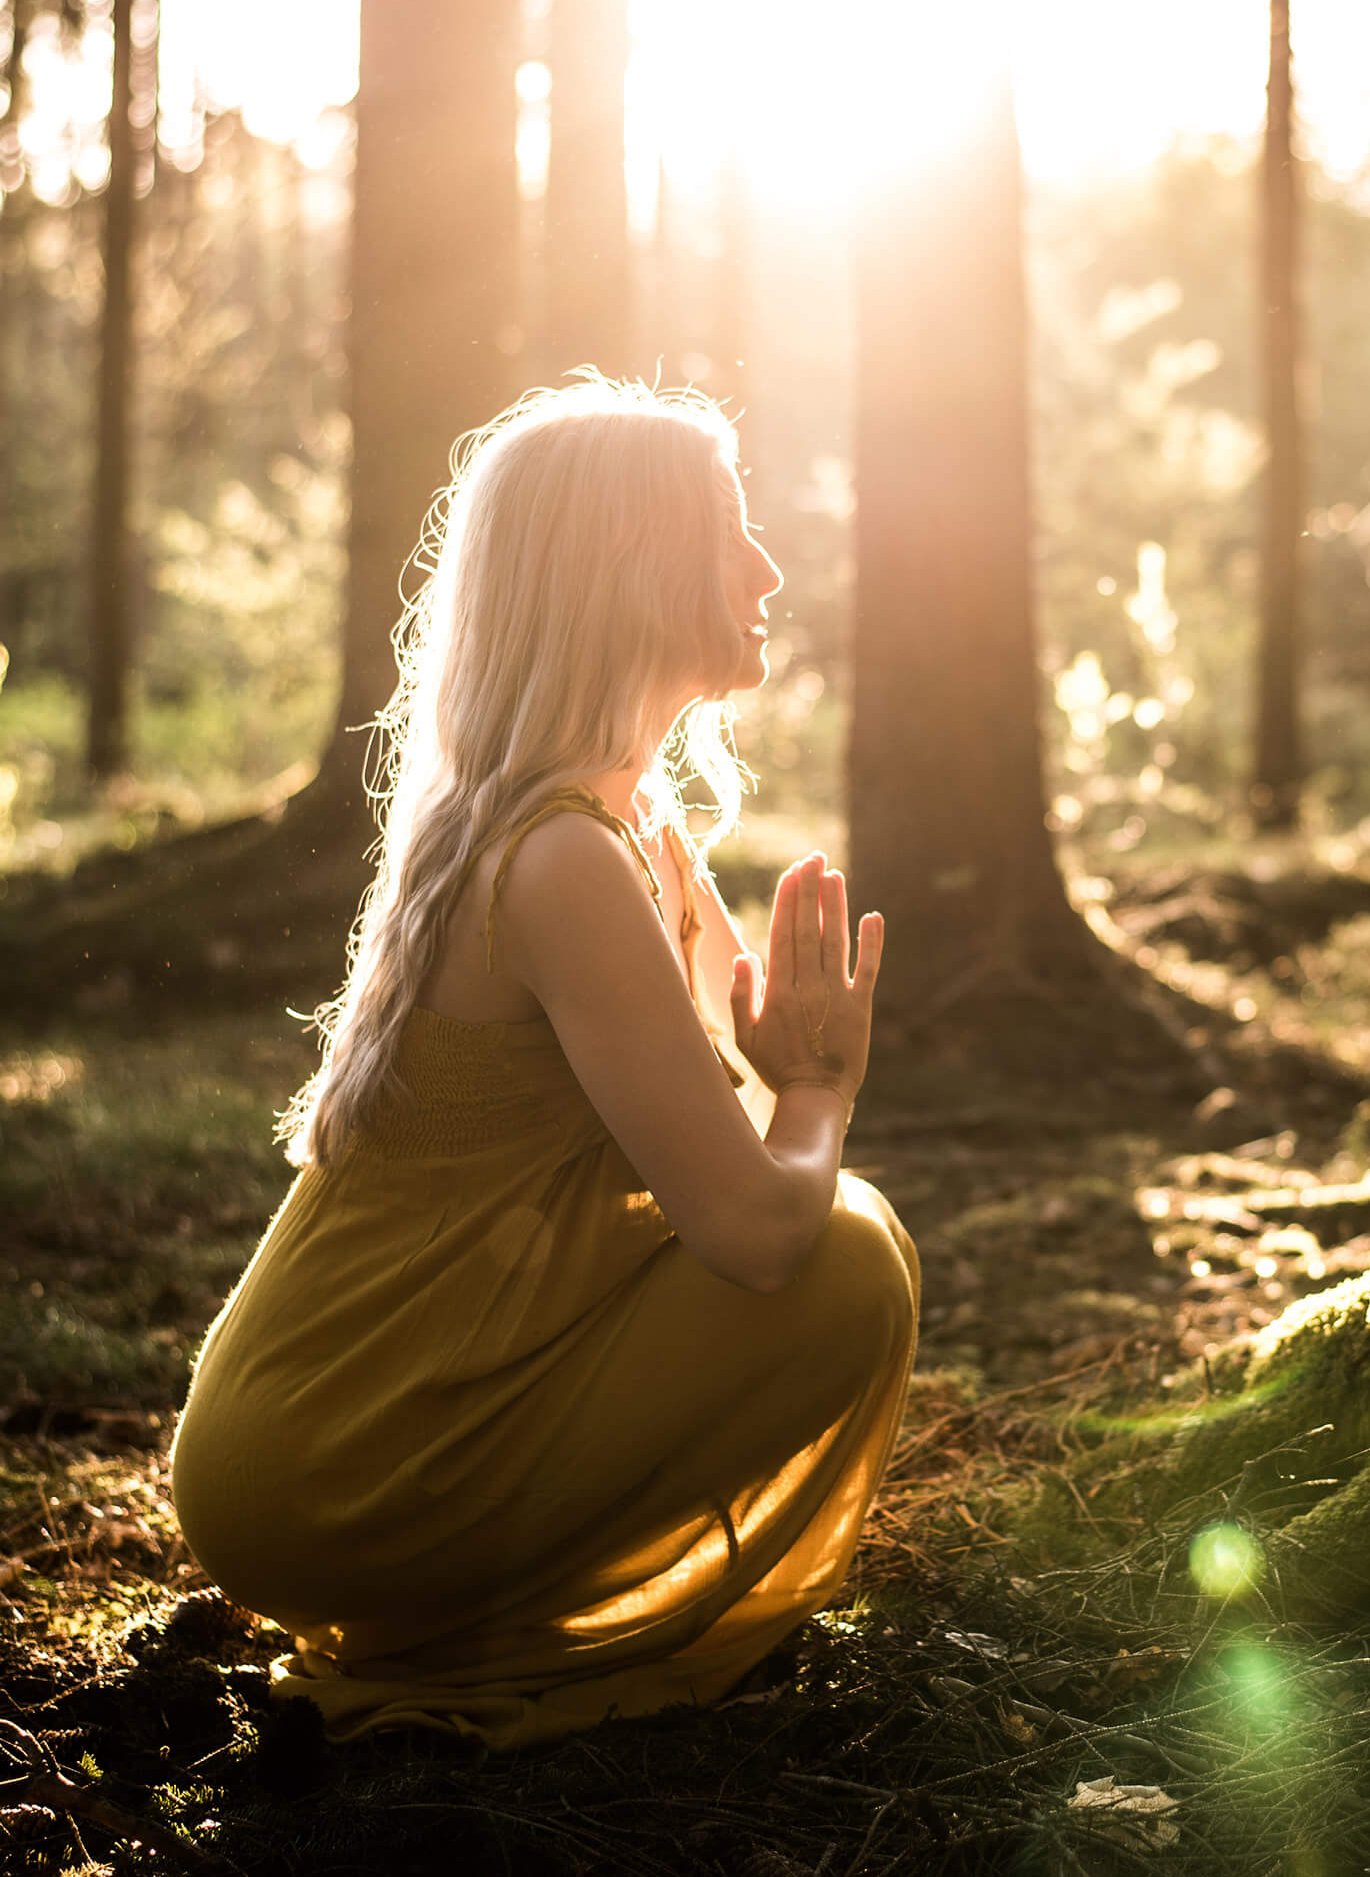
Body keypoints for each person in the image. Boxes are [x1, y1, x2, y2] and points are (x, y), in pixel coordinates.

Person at [170, 378, 917, 1748]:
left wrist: (773, 1083)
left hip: (343, 1431)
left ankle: (460, 1617)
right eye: (728, 527)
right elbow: (761, 1233)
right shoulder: (563, 857)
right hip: (327, 1458)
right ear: (627, 570)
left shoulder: (625, 838)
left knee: (849, 1242)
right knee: (852, 1259)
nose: (767, 567)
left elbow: (704, 1192)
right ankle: (464, 1653)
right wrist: (820, 1088)